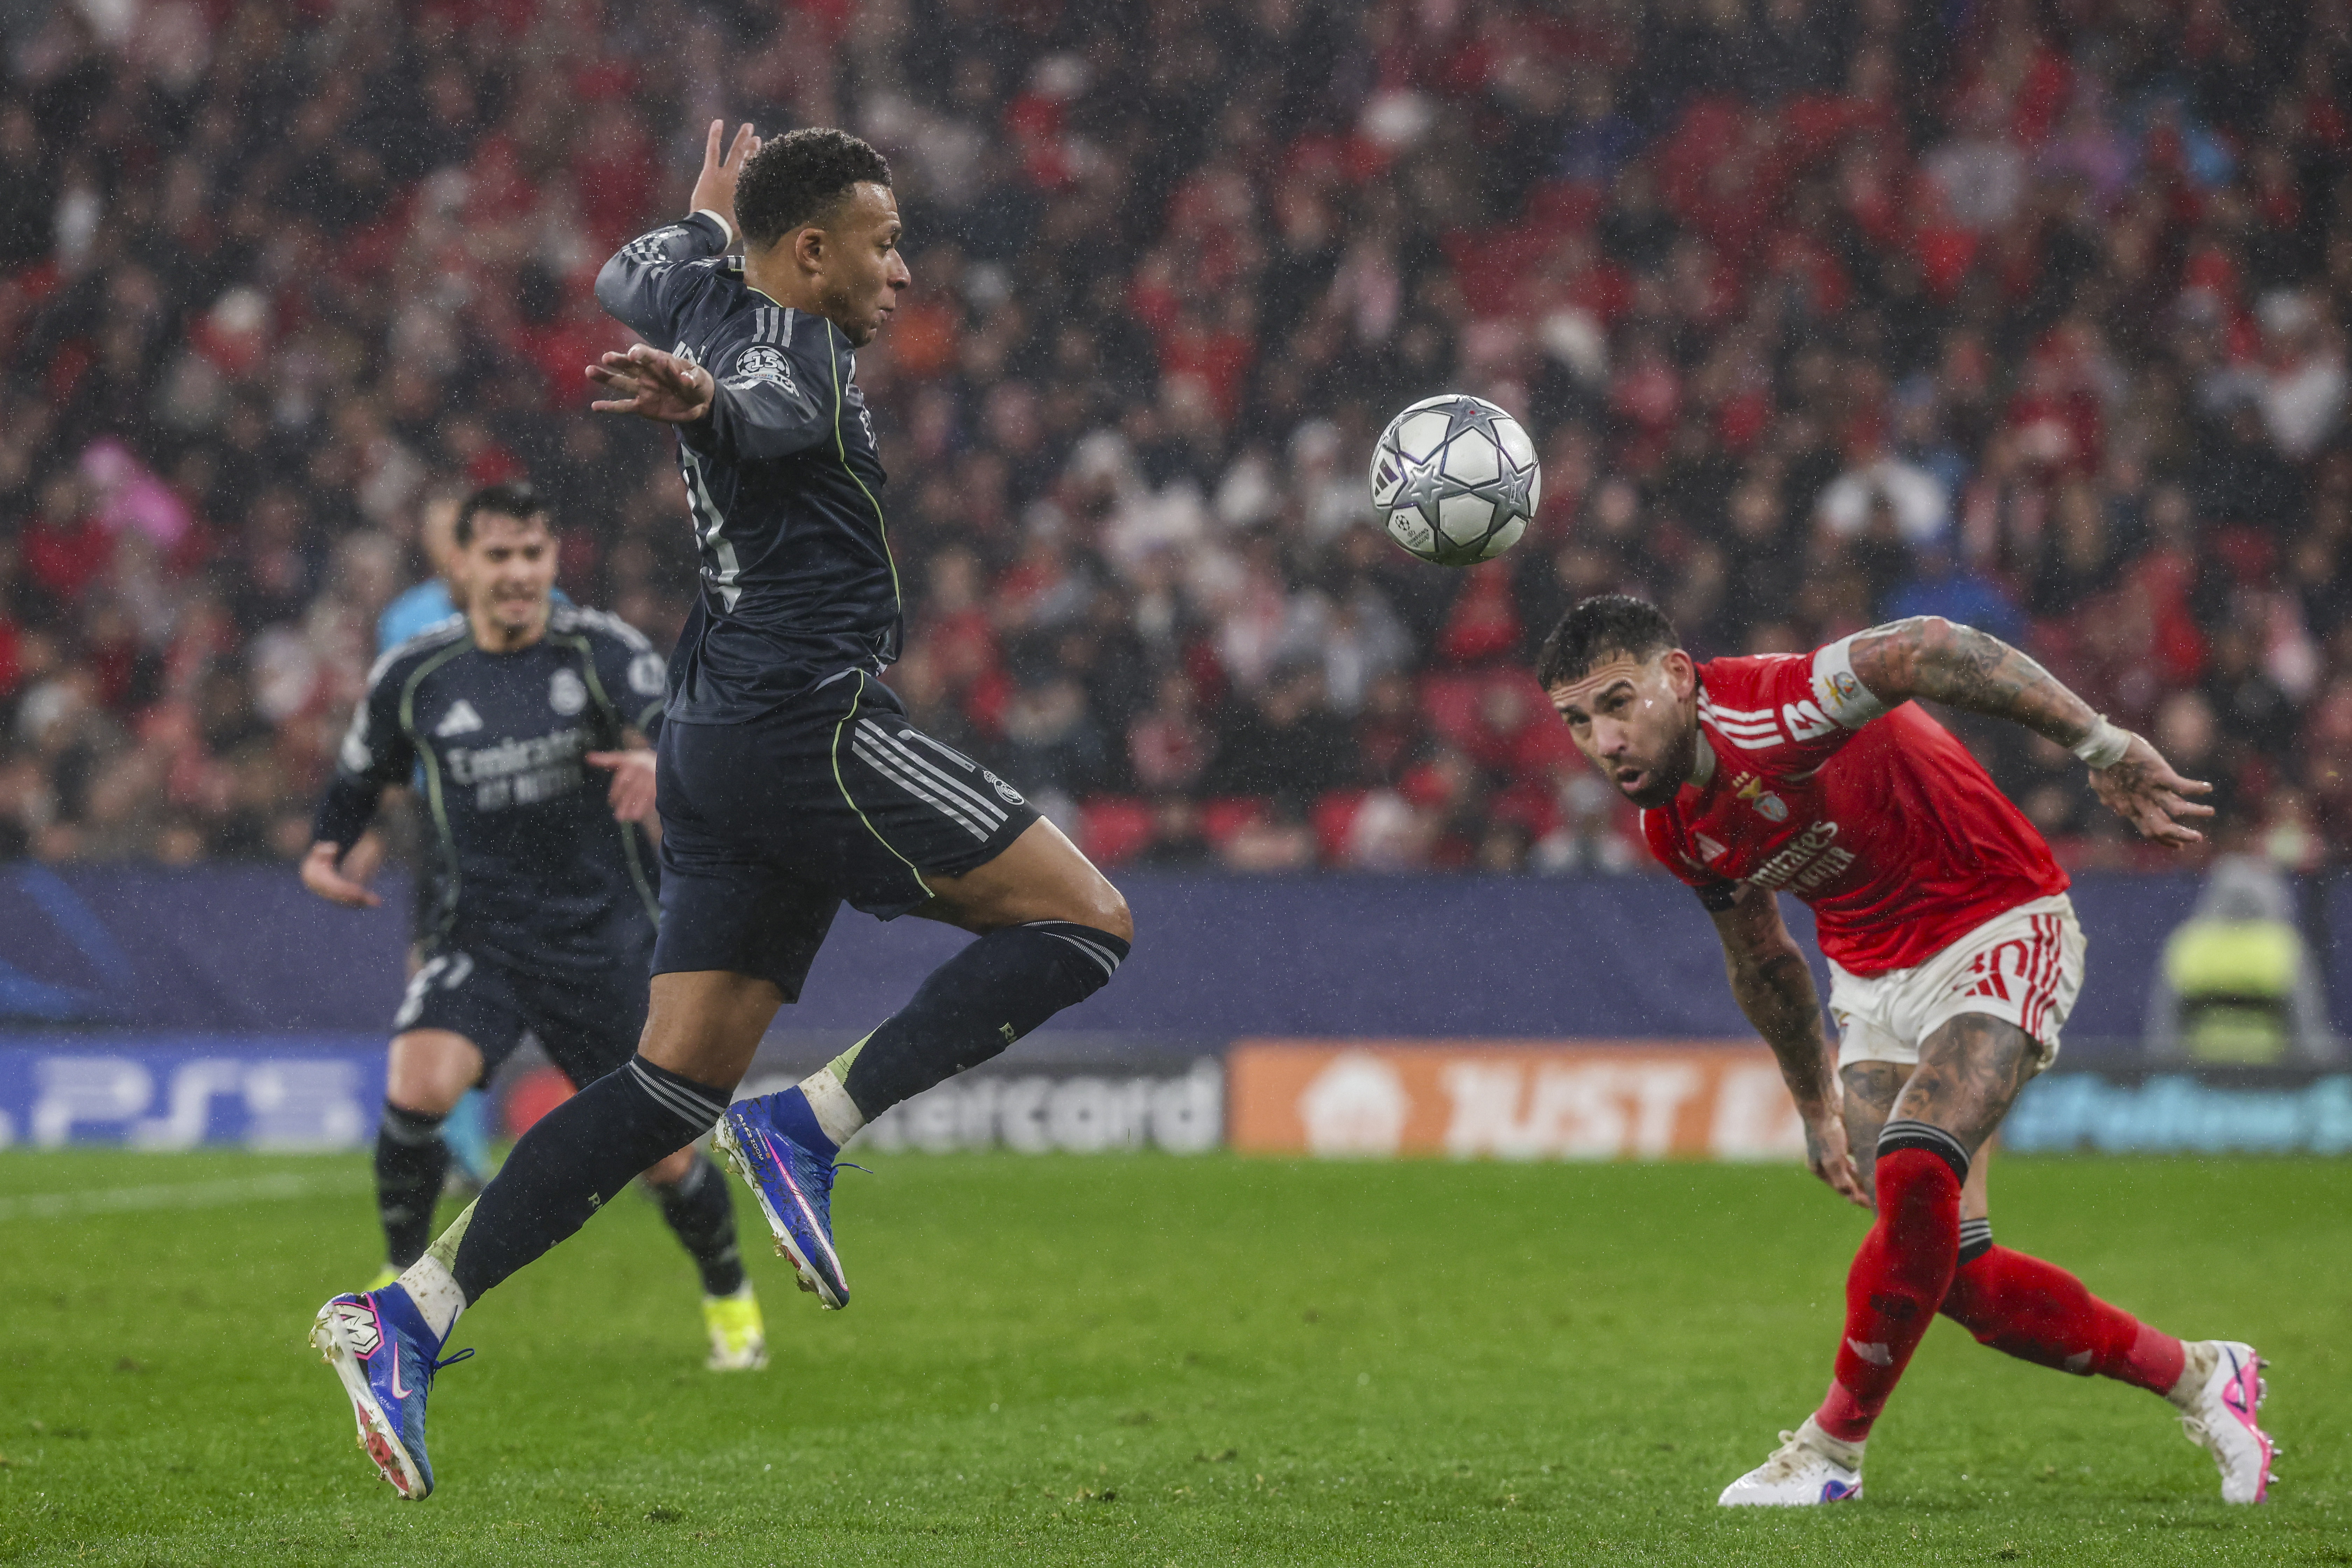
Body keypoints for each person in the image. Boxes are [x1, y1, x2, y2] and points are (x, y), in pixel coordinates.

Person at [309, 125, 1132, 1500]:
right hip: (809, 726)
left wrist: (696, 236)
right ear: (811, 253)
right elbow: (760, 403)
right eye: (883, 243)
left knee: (666, 1084)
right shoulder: (798, 346)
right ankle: (810, 1123)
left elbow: (630, 279)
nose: (905, 270)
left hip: (708, 739)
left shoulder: (712, 292)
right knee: (1088, 922)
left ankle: (409, 1311)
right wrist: (708, 399)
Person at [1537, 594, 2274, 1507]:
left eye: (1617, 702)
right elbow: (1763, 962)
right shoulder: (1677, 827)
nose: (1602, 739)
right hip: (1876, 986)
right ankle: (2205, 1377)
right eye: (1577, 721)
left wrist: (2101, 744)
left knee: (1919, 1163)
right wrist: (1813, 1104)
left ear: (1679, 676)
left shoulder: (1777, 707)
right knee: (1954, 1275)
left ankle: (1830, 1452)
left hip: (1998, 922)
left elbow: (1931, 645)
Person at [302, 483, 768, 1465]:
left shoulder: (597, 650)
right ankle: (401, 1293)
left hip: (606, 948)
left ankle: (729, 1295)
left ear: (553, 562)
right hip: (481, 938)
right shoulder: (418, 671)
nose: (517, 575)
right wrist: (325, 848)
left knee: (668, 1161)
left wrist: (660, 763)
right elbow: (362, 766)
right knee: (415, 1083)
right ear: (462, 566)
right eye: (498, 558)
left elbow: (683, 720)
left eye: (533, 556)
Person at [372, 485, 496, 1193]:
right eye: (443, 534)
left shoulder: (542, 603)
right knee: (439, 970)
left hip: (537, 817)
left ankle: (645, 1130)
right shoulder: (406, 618)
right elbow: (391, 725)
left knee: (580, 965)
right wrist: (380, 816)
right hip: (443, 817)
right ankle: (459, 1147)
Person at [2146, 853, 2340, 1065]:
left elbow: (2163, 1030)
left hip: (2201, 1080)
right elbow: (2308, 1028)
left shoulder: (2188, 943)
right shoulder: (2285, 946)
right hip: (2270, 1079)